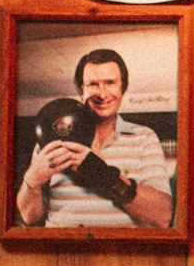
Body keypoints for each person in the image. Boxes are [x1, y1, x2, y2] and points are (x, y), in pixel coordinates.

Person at [17, 48, 174, 228]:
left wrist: (106, 177)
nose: (102, 94)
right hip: (61, 251)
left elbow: (162, 217)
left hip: (120, 253)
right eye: (93, 84)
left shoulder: (144, 138)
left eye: (110, 83)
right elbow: (30, 218)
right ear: (81, 90)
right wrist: (32, 181)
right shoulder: (51, 139)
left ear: (123, 88)